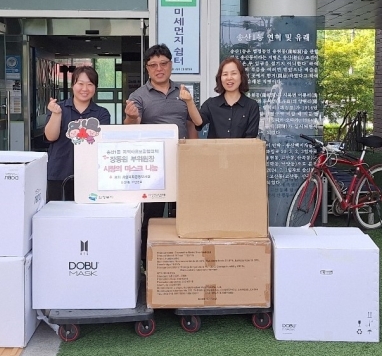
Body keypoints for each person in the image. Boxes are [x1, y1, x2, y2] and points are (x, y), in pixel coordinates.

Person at [124, 44, 203, 266]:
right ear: (147, 68)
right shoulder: (139, 95)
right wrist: (131, 117)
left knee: (183, 212)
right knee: (152, 214)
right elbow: (131, 128)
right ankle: (146, 263)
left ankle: (183, 259)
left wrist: (194, 154)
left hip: (182, 163)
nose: (159, 69)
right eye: (153, 65)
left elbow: (191, 124)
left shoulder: (183, 92)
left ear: (171, 65)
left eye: (163, 64)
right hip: (153, 167)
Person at [44, 65, 110, 201]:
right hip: (59, 173)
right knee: (58, 212)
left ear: (95, 87)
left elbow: (103, 144)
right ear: (72, 85)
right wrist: (56, 114)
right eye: (80, 83)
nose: (85, 89)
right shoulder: (59, 108)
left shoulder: (102, 113)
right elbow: (50, 137)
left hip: (91, 175)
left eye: (90, 84)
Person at [197, 56, 260, 138]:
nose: (229, 78)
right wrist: (189, 101)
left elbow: (251, 137)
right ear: (220, 78)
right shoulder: (210, 104)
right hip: (215, 147)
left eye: (233, 73)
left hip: (242, 147)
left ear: (241, 76)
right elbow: (198, 123)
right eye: (225, 74)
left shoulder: (251, 106)